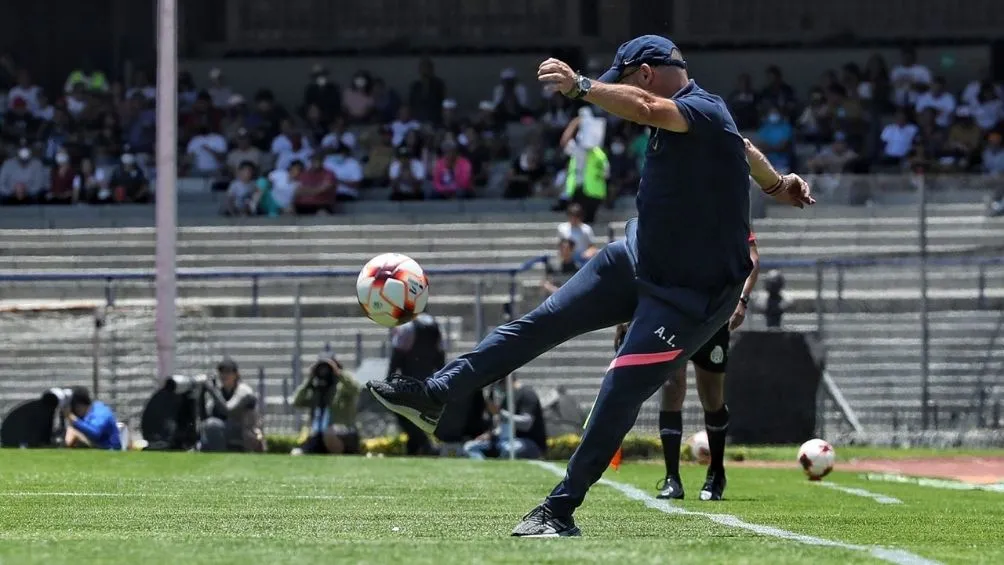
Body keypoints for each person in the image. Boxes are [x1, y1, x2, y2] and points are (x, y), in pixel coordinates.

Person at [366, 34, 813, 537]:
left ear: (644, 73)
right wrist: (777, 185)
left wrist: (582, 86)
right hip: (639, 257)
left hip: (690, 298)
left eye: (621, 81)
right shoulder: (712, 119)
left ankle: (559, 510)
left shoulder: (697, 108)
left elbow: (645, 107)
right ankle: (435, 392)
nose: (620, 95)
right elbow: (746, 148)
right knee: (540, 323)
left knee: (619, 388)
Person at [613, 233, 760, 501]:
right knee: (671, 385)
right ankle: (672, 479)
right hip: (673, 309)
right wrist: (628, 313)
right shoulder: (670, 206)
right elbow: (642, 260)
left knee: (712, 397)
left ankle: (716, 474)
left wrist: (742, 300)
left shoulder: (727, 205)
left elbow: (752, 257)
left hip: (713, 310)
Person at [387, 314, 447, 456]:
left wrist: (389, 379)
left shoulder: (407, 328)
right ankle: (416, 447)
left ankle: (424, 444)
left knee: (403, 413)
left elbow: (397, 356)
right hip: (428, 381)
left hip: (410, 380)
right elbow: (440, 357)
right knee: (416, 416)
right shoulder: (435, 326)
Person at [291, 351, 361, 455]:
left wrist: (338, 373)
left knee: (329, 432)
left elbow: (356, 389)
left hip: (344, 433)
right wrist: (309, 380)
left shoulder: (342, 387)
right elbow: (296, 402)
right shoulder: (317, 389)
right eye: (321, 367)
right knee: (296, 453)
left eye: (328, 367)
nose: (325, 370)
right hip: (319, 435)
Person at [462, 377, 547, 460]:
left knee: (507, 449)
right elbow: (502, 425)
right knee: (470, 447)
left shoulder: (527, 394)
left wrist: (500, 413)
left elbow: (526, 424)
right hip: (506, 441)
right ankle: (485, 470)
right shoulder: (507, 398)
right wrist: (490, 435)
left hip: (530, 442)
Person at [200, 358, 265, 453]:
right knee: (205, 435)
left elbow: (228, 410)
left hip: (245, 434)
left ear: (236, 374)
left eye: (228, 372)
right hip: (226, 431)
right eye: (221, 372)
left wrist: (211, 390)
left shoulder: (244, 391)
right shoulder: (220, 391)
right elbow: (206, 416)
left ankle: (220, 458)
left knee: (212, 425)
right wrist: (202, 392)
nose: (224, 375)